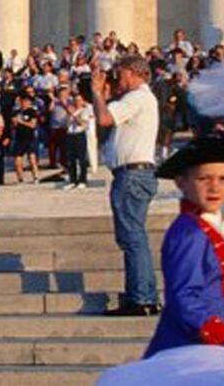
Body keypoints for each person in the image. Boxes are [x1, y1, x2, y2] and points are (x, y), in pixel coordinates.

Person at [144, 140, 224, 357]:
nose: (214, 187)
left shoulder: (212, 227)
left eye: (223, 179)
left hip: (216, 346)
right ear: (181, 182)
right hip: (189, 346)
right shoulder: (188, 232)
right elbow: (184, 295)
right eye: (203, 178)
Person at [92, 54, 161, 316]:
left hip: (132, 175)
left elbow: (104, 120)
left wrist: (97, 94)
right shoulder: (139, 99)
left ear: (133, 72)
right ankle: (146, 294)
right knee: (135, 237)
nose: (116, 80)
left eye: (119, 75)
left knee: (132, 237)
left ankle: (141, 297)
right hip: (136, 174)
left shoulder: (138, 97)